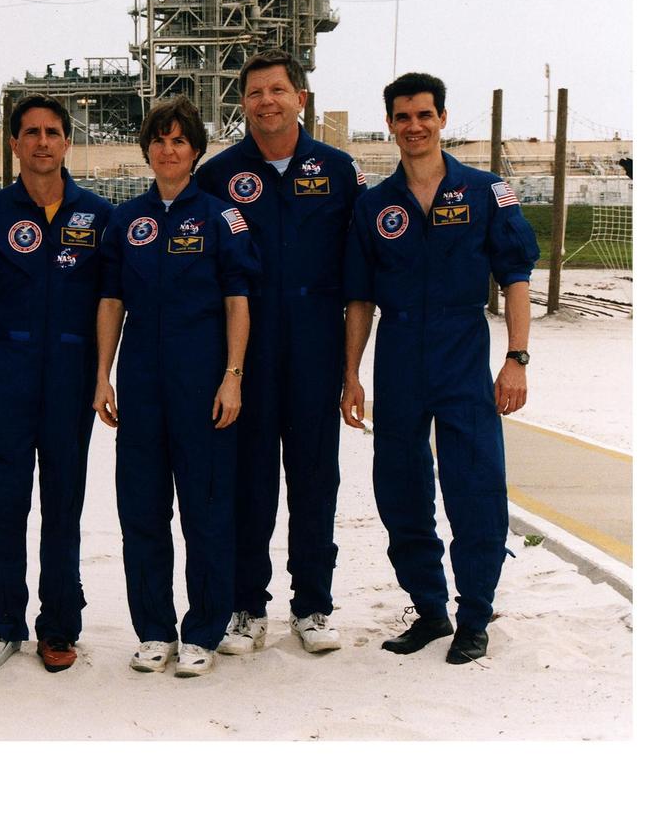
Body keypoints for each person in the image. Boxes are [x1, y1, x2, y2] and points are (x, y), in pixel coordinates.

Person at [341, 72, 539, 665]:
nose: (414, 126)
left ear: (443, 119)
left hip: (461, 352)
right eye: (402, 117)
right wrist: (351, 374)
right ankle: (428, 609)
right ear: (391, 125)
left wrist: (517, 359)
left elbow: (517, 277)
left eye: (424, 115)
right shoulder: (374, 205)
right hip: (398, 355)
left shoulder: (485, 191)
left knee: (475, 484)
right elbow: (359, 299)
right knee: (400, 489)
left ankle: (474, 614)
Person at [196, 47, 364, 655]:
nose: (266, 101)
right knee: (250, 481)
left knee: (316, 480)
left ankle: (314, 605)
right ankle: (247, 605)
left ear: (301, 98)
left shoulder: (339, 171)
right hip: (248, 353)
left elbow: (358, 284)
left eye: (277, 90)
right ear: (242, 104)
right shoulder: (218, 176)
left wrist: (350, 372)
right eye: (254, 93)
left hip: (316, 350)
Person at [94, 95, 260, 677]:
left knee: (207, 510)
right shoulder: (126, 220)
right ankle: (154, 630)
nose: (168, 149)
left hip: (203, 382)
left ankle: (204, 631)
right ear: (147, 150)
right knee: (141, 509)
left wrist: (233, 377)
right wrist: (102, 375)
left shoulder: (221, 217)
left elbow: (239, 299)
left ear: (196, 151)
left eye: (179, 140)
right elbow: (112, 300)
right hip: (141, 382)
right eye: (159, 140)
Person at [0, 94, 112, 674]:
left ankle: (59, 624)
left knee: (62, 505)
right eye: (31, 132)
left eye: (52, 132)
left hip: (70, 378)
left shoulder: (98, 217)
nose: (42, 141)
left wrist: (103, 375)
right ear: (14, 144)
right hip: (5, 375)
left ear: (67, 142)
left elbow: (114, 302)